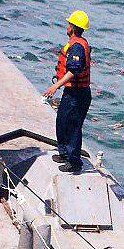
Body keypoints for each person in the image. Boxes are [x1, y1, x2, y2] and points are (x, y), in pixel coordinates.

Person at [44, 10, 92, 174]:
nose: (67, 26)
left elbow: (74, 70)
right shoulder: (75, 43)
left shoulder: (77, 47)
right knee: (62, 121)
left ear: (72, 27)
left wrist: (56, 85)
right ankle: (64, 153)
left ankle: (74, 161)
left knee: (72, 126)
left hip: (78, 94)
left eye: (68, 24)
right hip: (72, 92)